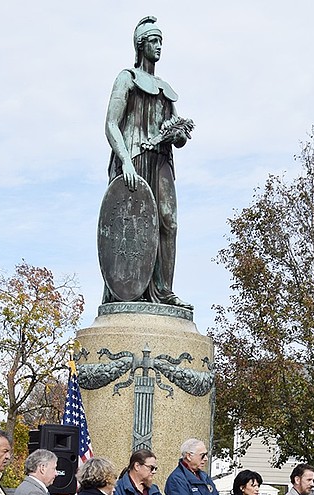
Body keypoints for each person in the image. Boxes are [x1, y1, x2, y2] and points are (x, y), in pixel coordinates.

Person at [102, 15, 193, 307]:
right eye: (153, 41)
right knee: (136, 224)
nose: (159, 47)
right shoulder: (126, 77)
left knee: (169, 222)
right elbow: (111, 124)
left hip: (161, 159)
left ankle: (164, 291)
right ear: (141, 46)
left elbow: (175, 130)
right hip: (135, 156)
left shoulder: (165, 88)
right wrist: (125, 161)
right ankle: (132, 291)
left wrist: (178, 135)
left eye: (161, 41)